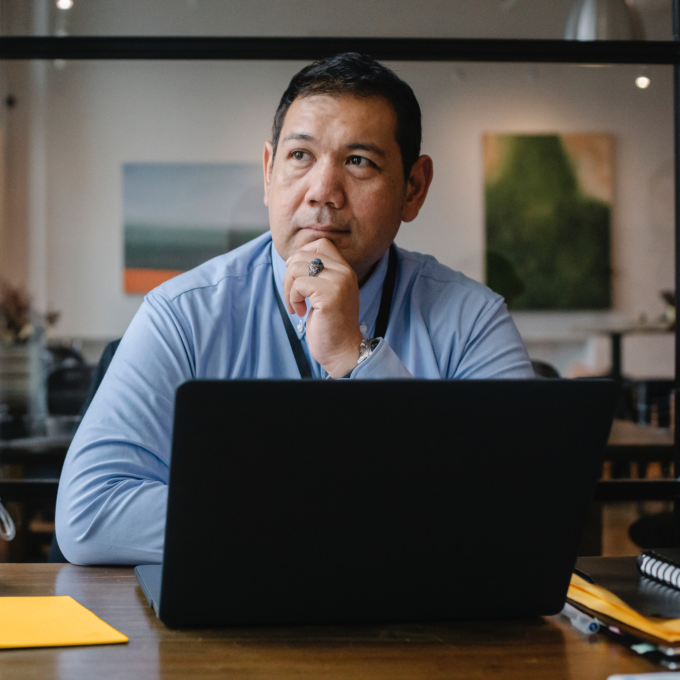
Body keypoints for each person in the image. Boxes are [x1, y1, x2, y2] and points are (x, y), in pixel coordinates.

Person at [55, 52, 534, 565]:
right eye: (300, 156)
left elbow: (525, 514)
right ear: (269, 171)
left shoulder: (472, 320)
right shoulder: (183, 314)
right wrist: (327, 516)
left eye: (359, 162)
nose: (323, 192)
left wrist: (358, 357)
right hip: (227, 632)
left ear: (413, 189)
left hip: (417, 634)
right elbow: (89, 513)